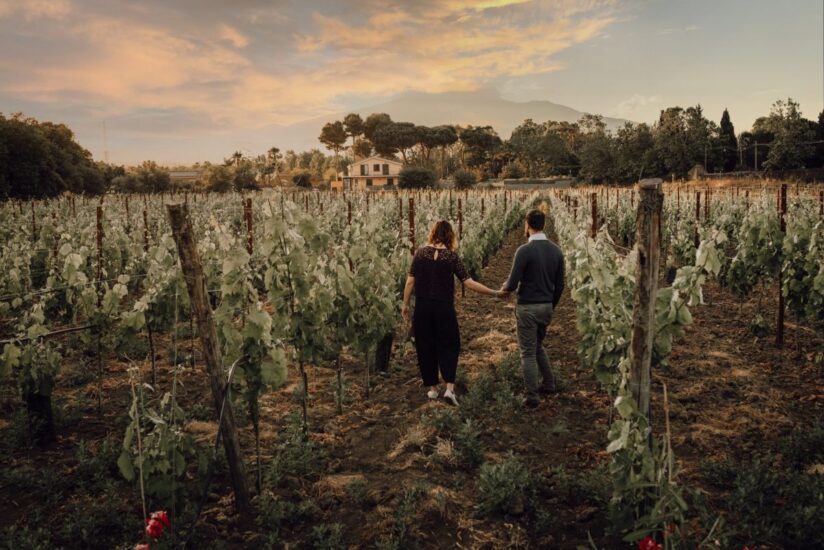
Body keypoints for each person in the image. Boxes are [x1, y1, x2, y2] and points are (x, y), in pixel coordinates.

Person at [402, 220, 503, 405]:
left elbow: (410, 282)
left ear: (433, 234)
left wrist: (405, 304)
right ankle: (449, 388)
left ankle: (432, 389)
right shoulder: (451, 257)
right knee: (449, 344)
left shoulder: (419, 254)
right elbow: (469, 282)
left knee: (425, 346)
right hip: (444, 308)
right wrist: (494, 292)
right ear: (449, 236)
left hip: (422, 308)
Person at [500, 209, 565, 409]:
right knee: (537, 346)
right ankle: (549, 383)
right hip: (546, 306)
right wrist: (550, 305)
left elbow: (512, 282)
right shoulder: (556, 251)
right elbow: (560, 285)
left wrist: (504, 290)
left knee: (527, 352)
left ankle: (532, 397)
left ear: (527, 225)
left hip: (527, 307)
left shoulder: (524, 251)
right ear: (543, 225)